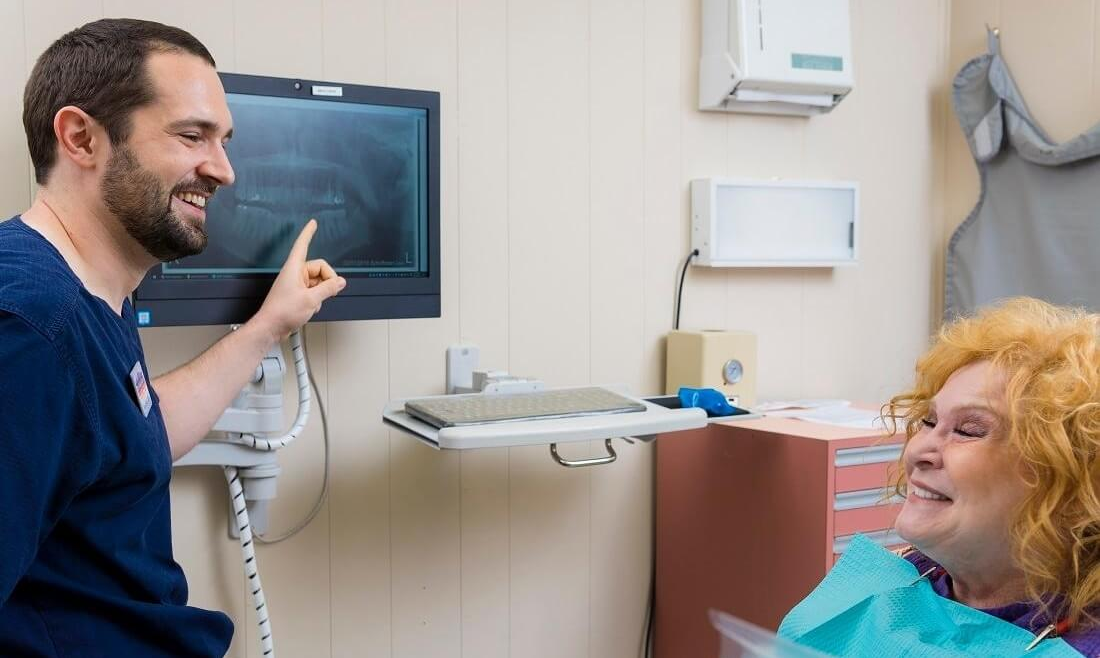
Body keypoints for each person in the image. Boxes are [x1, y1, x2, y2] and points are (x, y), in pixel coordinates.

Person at [0, 18, 345, 656]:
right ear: (81, 138)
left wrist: (270, 322)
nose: (224, 171)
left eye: (224, 141)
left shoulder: (91, 290)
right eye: (193, 136)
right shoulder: (29, 328)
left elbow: (130, 434)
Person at [779, 297, 1100, 656]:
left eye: (968, 430)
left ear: (1075, 487)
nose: (917, 452)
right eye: (929, 422)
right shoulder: (897, 581)